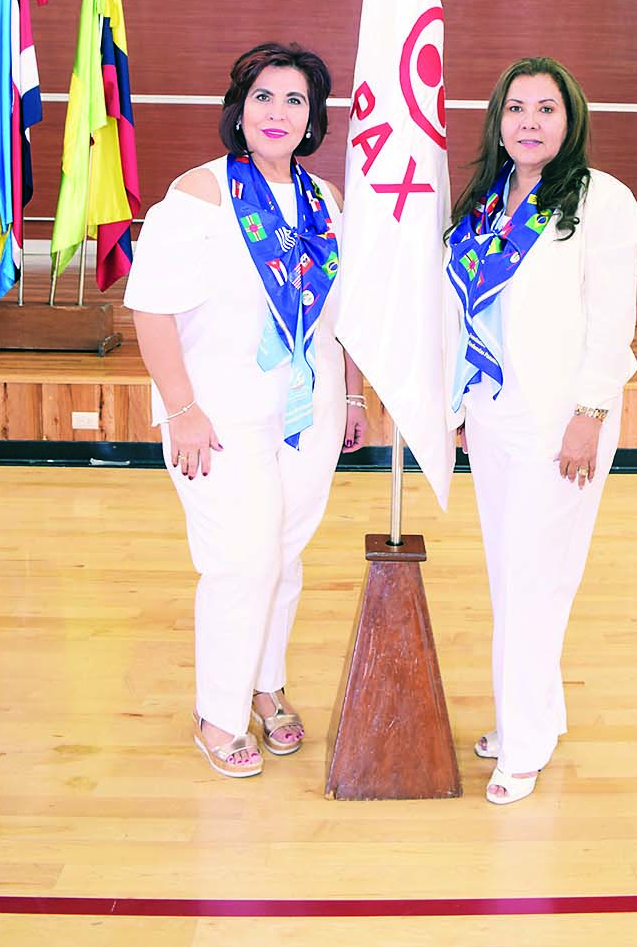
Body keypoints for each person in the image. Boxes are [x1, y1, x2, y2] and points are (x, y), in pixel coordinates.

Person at [125, 41, 367, 778]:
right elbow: (151, 311)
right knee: (241, 560)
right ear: (239, 108)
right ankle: (218, 713)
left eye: (295, 101)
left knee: (283, 557)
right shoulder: (197, 194)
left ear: (311, 120)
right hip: (218, 414)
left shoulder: (325, 201)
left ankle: (266, 686)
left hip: (308, 412)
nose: (278, 112)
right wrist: (183, 409)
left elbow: (344, 312)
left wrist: (352, 392)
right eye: (264, 96)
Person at [444, 56, 637, 805]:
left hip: (564, 421)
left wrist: (589, 416)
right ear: (498, 120)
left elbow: (611, 322)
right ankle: (534, 713)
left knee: (532, 581)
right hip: (496, 415)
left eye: (546, 109)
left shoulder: (600, 201)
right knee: (519, 576)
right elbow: (467, 307)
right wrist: (462, 407)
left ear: (571, 120)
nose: (529, 121)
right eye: (516, 108)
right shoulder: (485, 199)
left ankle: (522, 744)